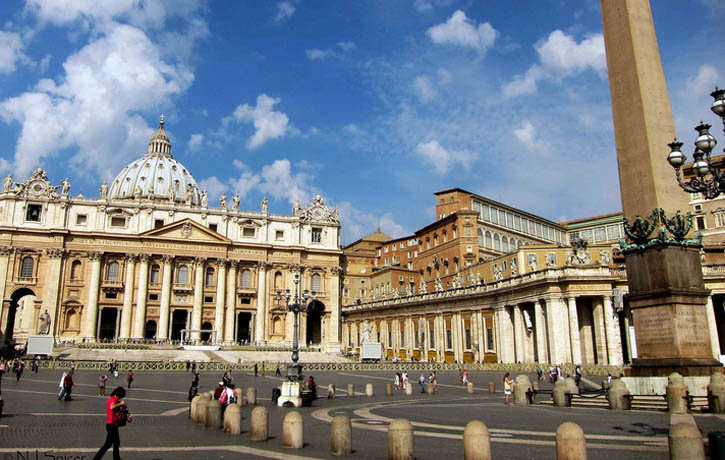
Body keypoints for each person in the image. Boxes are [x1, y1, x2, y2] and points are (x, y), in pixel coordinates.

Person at [93, 386, 129, 460]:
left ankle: (116, 458)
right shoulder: (112, 400)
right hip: (111, 425)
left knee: (115, 443)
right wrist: (120, 403)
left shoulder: (115, 400)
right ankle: (97, 458)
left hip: (113, 425)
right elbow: (112, 407)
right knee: (108, 444)